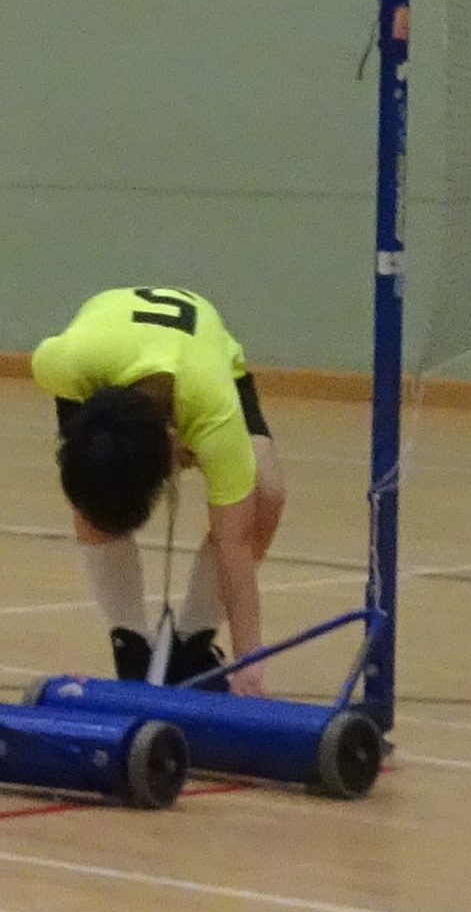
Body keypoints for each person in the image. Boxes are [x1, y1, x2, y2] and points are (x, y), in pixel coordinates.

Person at [36, 282, 286, 690]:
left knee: (264, 495)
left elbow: (235, 541)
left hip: (203, 366)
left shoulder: (212, 413)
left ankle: (191, 645)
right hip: (102, 361)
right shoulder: (59, 364)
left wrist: (249, 660)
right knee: (95, 489)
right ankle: (131, 644)